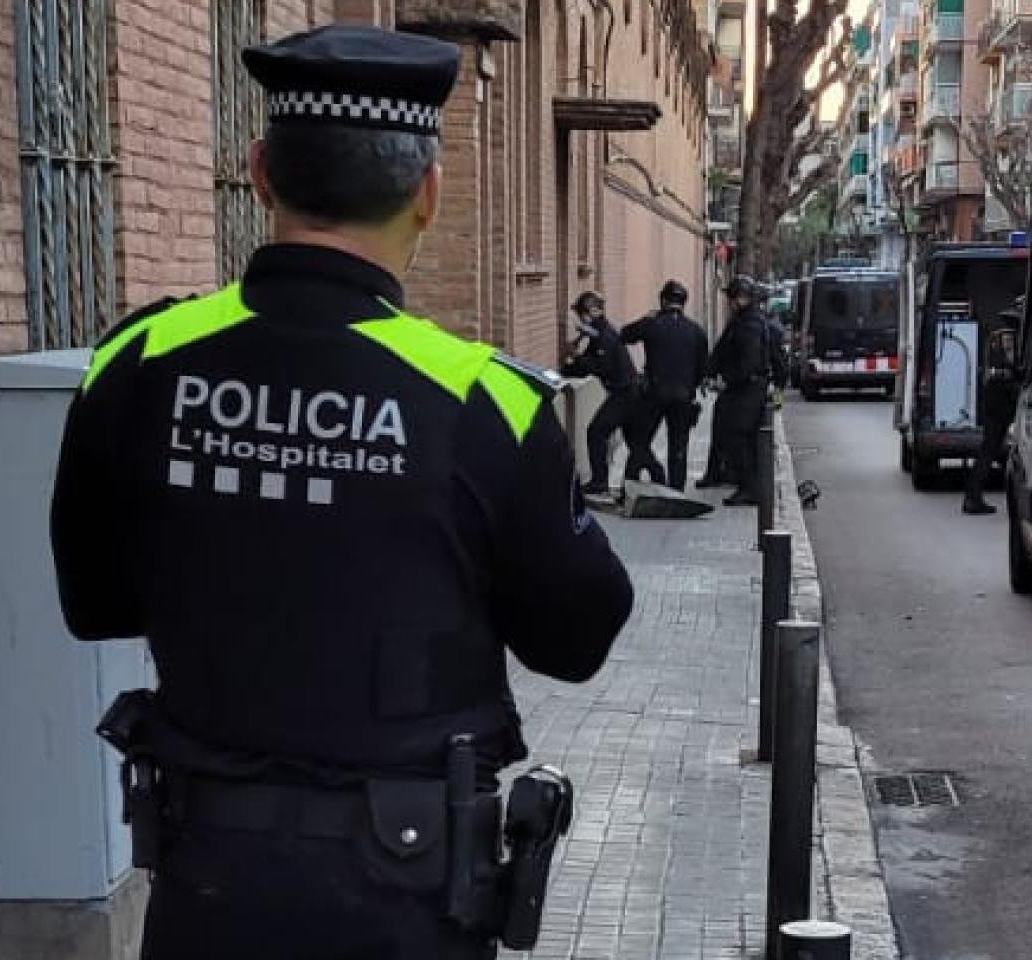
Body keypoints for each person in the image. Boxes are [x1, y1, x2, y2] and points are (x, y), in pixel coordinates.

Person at [49, 25, 633, 960]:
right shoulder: (484, 401)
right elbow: (578, 639)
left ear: (258, 174)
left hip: (208, 890)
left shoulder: (137, 360)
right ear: (429, 195)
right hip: (405, 903)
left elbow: (94, 603)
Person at [562, 289, 664, 494]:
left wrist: (577, 356)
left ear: (592, 312)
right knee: (637, 444)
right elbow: (585, 368)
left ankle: (599, 482)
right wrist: (568, 368)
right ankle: (659, 477)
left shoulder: (605, 336)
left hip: (625, 395)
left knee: (596, 432)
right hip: (629, 395)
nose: (580, 319)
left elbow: (601, 367)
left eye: (582, 314)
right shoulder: (598, 335)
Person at [620, 280, 709, 491]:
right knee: (678, 445)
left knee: (640, 441)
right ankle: (676, 491)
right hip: (683, 395)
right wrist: (691, 387)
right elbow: (703, 367)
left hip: (654, 393)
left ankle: (629, 487)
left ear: (663, 300)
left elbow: (625, 335)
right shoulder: (696, 331)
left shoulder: (652, 324)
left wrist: (647, 317)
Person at [708, 275, 771, 507]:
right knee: (734, 435)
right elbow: (724, 349)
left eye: (732, 298)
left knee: (740, 437)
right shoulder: (742, 320)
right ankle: (743, 484)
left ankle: (749, 488)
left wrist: (728, 380)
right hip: (741, 388)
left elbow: (749, 361)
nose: (729, 303)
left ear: (741, 298)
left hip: (747, 390)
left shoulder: (750, 324)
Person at [963, 305, 1023, 515]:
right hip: (1005, 396)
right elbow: (1016, 367)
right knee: (996, 448)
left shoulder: (997, 336)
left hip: (993, 395)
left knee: (990, 448)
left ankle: (973, 495)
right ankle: (973, 496)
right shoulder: (1016, 339)